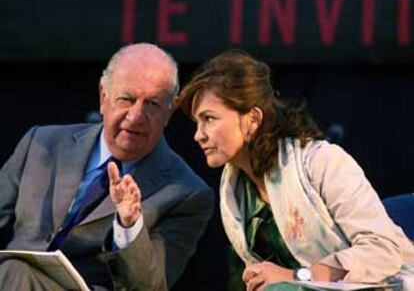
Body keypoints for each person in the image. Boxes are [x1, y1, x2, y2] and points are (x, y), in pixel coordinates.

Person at [178, 49, 414, 291]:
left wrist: (297, 275)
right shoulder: (234, 190)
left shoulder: (321, 162)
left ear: (252, 120)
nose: (198, 135)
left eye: (209, 119)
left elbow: (383, 250)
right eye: (197, 123)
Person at [0, 43, 214, 290]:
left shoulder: (187, 193)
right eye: (127, 99)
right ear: (104, 97)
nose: (135, 116)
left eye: (152, 104)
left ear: (169, 111)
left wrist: (130, 224)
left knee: (16, 271)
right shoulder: (41, 143)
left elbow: (150, 286)